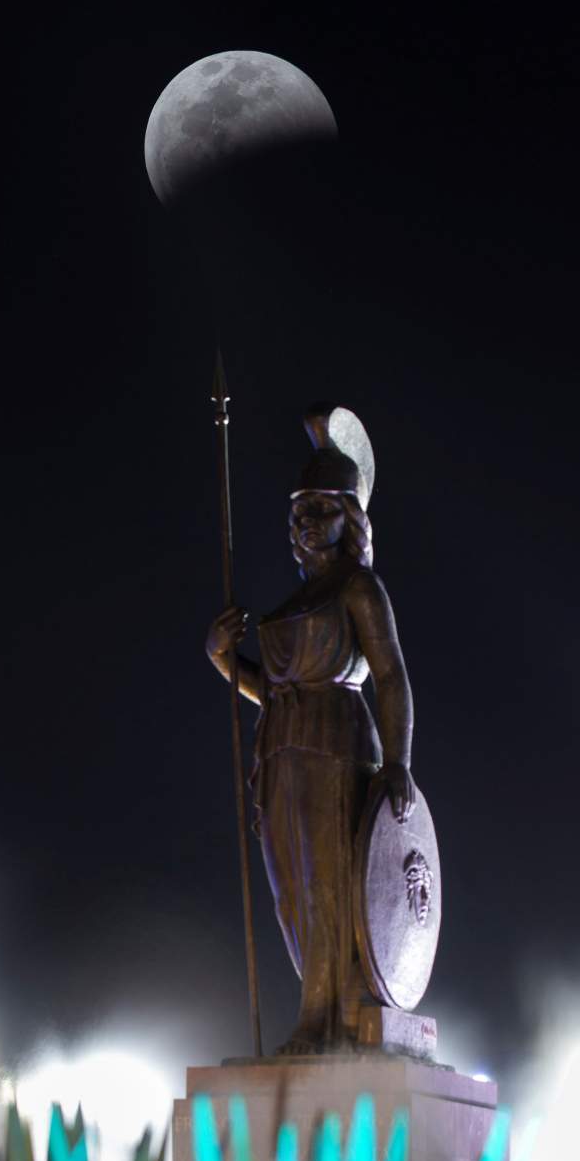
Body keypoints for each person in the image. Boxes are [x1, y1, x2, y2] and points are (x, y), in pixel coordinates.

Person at [205, 408, 415, 1052]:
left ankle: (324, 1021)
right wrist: (222, 658)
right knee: (290, 895)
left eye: (319, 510)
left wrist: (399, 761)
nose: (303, 523)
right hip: (281, 751)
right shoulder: (292, 603)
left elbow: (390, 676)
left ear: (349, 517)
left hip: (338, 745)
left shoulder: (359, 588)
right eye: (298, 511)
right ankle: (316, 1011)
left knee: (329, 885)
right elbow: (273, 691)